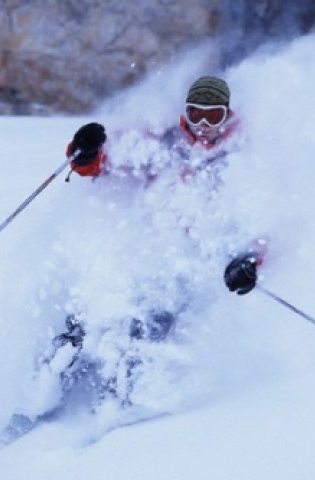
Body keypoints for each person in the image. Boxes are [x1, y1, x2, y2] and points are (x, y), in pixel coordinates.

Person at [55, 76, 265, 400]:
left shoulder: (241, 155)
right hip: (139, 246)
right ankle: (48, 384)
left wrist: (249, 261)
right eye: (197, 115)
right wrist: (85, 151)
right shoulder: (164, 142)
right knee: (91, 310)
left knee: (146, 325)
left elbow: (266, 216)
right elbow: (103, 162)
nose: (204, 124)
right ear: (186, 113)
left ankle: (118, 398)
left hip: (186, 264)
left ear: (227, 114)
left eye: (213, 116)